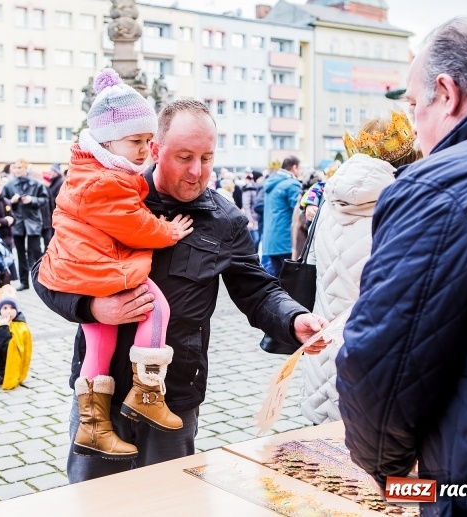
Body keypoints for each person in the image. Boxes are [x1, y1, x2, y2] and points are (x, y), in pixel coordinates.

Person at [33, 98, 329, 483]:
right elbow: (46, 272)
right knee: (94, 501)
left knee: (169, 500)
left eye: (207, 158)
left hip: (173, 397)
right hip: (101, 396)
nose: (196, 171)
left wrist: (293, 318)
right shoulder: (109, 193)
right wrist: (91, 307)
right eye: (185, 157)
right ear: (155, 150)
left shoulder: (225, 220)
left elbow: (257, 290)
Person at [335, 18, 467, 515]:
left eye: (414, 105)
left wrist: (393, 479)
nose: (413, 126)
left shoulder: (441, 185)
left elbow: (380, 369)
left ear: (447, 94)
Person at [39, 69, 194, 459]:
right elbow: (135, 225)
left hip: (82, 267)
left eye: (148, 141)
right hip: (98, 267)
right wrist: (168, 231)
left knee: (100, 340)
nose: (144, 150)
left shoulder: (92, 172)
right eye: (135, 141)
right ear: (107, 141)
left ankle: (93, 427)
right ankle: (146, 393)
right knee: (155, 309)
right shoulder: (106, 181)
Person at [299, 111, 420, 426]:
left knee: (322, 448)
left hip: (324, 350)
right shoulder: (409, 207)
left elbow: (314, 265)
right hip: (376, 366)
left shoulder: (329, 200)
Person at [3, 158, 48, 291]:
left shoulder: (37, 184)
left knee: (36, 251)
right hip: (18, 223)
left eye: (20, 168)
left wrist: (32, 200)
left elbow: (45, 200)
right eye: (16, 168)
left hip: (33, 222)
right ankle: (24, 282)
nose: (17, 170)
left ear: (26, 169)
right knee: (20, 253)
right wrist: (12, 201)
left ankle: (42, 280)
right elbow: (4, 201)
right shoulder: (9, 185)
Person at [262, 156, 302, 278]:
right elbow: (300, 211)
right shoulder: (291, 184)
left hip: (270, 242)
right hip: (286, 241)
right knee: (290, 281)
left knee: (278, 279)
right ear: (294, 167)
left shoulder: (271, 183)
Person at [40, 163, 65, 250]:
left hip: (56, 213)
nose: (51, 172)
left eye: (53, 171)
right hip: (51, 213)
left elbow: (58, 198)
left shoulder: (60, 182)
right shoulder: (53, 181)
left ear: (57, 172)